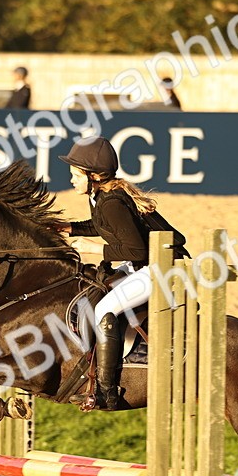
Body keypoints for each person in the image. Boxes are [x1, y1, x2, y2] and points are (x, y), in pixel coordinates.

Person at [61, 137, 186, 411]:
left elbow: (135, 249)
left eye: (75, 174)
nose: (70, 179)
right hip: (149, 263)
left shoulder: (111, 201)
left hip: (165, 268)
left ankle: (107, 392)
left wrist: (93, 248)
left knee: (104, 308)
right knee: (100, 286)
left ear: (93, 175)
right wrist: (67, 228)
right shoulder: (101, 197)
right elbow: (101, 226)